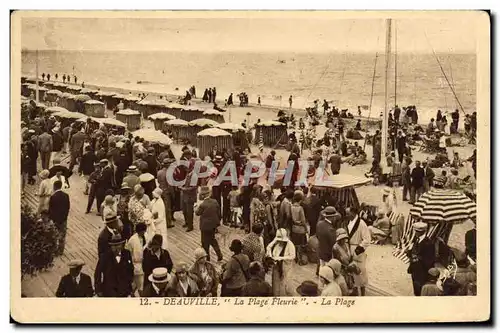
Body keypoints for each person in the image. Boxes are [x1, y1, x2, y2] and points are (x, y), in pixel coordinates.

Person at [406, 222, 435, 296]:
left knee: (420, 289)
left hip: (422, 272)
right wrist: (409, 252)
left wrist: (418, 258)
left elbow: (430, 260)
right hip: (414, 269)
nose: (415, 233)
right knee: (415, 287)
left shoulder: (429, 243)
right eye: (416, 231)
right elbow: (412, 252)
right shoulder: (417, 239)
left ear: (422, 232)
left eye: (417, 231)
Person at [196, 186, 223, 262]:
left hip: (205, 227)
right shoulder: (215, 201)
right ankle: (219, 254)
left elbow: (197, 213)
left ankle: (207, 259)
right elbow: (219, 214)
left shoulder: (202, 205)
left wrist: (196, 206)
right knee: (213, 240)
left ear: (202, 195)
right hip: (213, 225)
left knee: (205, 243)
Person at [266, 228, 296, 296]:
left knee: (284, 285)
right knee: (275, 285)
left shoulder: (290, 244)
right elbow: (268, 248)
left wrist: (281, 258)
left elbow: (293, 256)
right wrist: (274, 240)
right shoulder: (276, 243)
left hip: (286, 268)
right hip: (276, 267)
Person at [125, 222, 149, 296]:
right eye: (143, 231)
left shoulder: (145, 236)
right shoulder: (132, 240)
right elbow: (127, 252)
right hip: (136, 265)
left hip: (143, 264)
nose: (144, 232)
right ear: (139, 231)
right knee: (140, 286)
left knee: (135, 284)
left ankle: (131, 294)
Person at [48, 180, 70, 255]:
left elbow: (51, 209)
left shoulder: (53, 197)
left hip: (55, 219)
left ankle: (54, 249)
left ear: (54, 186)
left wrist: (51, 219)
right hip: (63, 219)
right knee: (62, 235)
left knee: (54, 234)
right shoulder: (66, 195)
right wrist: (65, 217)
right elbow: (68, 207)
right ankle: (61, 250)